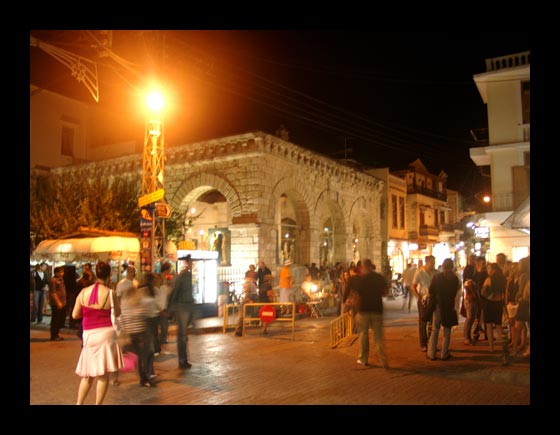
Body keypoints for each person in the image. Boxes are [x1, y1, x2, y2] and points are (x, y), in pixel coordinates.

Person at [73, 261, 123, 404]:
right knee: (103, 375)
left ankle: (79, 403)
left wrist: (88, 312)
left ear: (96, 274)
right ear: (109, 275)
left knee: (87, 375)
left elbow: (75, 315)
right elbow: (118, 312)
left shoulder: (83, 292)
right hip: (106, 335)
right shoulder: (110, 293)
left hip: (89, 335)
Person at [354, 259, 388, 368]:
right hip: (377, 309)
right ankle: (383, 359)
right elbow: (385, 292)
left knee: (363, 334)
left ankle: (363, 359)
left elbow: (358, 296)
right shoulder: (379, 278)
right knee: (378, 336)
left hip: (364, 310)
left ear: (364, 267)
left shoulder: (362, 279)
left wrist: (356, 311)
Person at [426, 259, 460, 361]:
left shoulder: (437, 277)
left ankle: (431, 353)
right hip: (449, 306)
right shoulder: (454, 279)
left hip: (438, 305)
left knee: (435, 329)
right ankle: (444, 353)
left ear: (443, 266)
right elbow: (454, 293)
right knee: (447, 329)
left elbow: (431, 290)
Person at [167, 255, 196, 369]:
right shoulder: (183, 275)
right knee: (182, 335)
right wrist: (170, 308)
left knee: (183, 335)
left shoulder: (189, 275)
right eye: (191, 262)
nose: (192, 264)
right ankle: (182, 360)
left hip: (187, 305)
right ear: (187, 263)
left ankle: (184, 359)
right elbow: (175, 291)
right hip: (182, 306)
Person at [411, 255, 438, 352]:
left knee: (432, 321)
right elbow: (413, 286)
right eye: (432, 262)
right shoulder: (420, 272)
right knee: (423, 321)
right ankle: (423, 343)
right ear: (427, 262)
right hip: (423, 299)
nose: (433, 264)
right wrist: (418, 297)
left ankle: (431, 342)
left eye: (434, 262)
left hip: (433, 299)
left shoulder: (436, 273)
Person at [481, 262, 507, 353]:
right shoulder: (503, 279)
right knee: (498, 325)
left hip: (490, 303)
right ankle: (503, 346)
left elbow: (482, 292)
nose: (488, 270)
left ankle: (491, 347)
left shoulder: (489, 279)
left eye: (489, 268)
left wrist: (489, 295)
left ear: (494, 270)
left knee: (489, 326)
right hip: (499, 303)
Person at [49, 266, 67, 341]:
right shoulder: (53, 280)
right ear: (56, 273)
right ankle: (53, 335)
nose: (62, 273)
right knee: (55, 319)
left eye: (62, 272)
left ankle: (57, 334)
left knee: (60, 319)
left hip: (62, 302)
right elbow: (53, 293)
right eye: (60, 272)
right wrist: (58, 302)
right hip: (56, 303)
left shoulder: (61, 279)